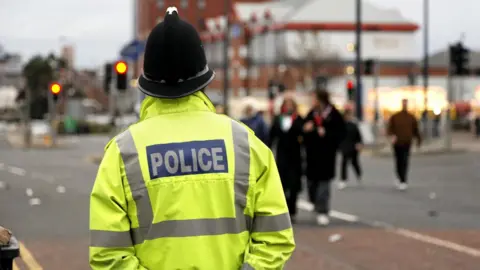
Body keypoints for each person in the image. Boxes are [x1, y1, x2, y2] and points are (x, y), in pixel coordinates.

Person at [89, 7, 295, 270]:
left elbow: (108, 254)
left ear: (147, 81)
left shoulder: (122, 153)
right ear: (204, 79)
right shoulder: (245, 144)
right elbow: (276, 237)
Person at [302, 90, 346, 226]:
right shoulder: (311, 114)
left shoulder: (334, 114)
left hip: (326, 155)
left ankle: (323, 211)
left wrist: (327, 133)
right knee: (311, 184)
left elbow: (341, 133)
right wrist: (306, 130)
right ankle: (315, 203)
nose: (312, 101)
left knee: (323, 184)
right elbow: (302, 131)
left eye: (314, 99)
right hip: (312, 155)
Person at [268, 96, 304, 223]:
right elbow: (271, 137)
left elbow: (303, 134)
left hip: (295, 156)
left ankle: (292, 210)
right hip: (282, 156)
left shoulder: (298, 119)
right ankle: (284, 211)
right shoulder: (278, 119)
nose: (288, 107)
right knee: (281, 185)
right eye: (286, 104)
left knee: (294, 185)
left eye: (290, 104)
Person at [387, 99, 422, 190]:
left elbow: (416, 130)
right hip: (397, 143)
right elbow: (390, 128)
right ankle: (399, 177)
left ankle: (403, 180)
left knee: (405, 161)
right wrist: (392, 136)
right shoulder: (396, 117)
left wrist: (418, 140)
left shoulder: (411, 117)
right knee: (398, 161)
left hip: (407, 142)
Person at [338, 109, 363, 190]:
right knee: (344, 163)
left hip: (353, 146)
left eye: (349, 115)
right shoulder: (341, 125)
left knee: (354, 162)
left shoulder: (354, 125)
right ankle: (343, 180)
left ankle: (359, 175)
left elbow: (358, 135)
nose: (348, 117)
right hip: (345, 146)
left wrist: (359, 143)